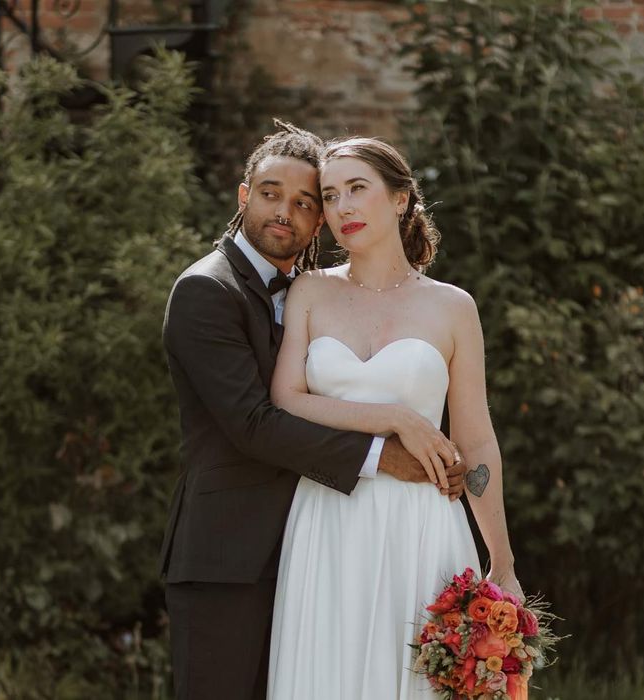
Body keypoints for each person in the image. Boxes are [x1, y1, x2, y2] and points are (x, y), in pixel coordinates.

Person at [159, 121, 467, 700]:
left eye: (306, 202)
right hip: (227, 557)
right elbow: (253, 424)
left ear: (318, 221)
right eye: (271, 193)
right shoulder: (207, 290)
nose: (286, 212)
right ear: (244, 195)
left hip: (310, 546)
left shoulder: (308, 291)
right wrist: (384, 453)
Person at [267, 136, 523, 699]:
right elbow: (286, 399)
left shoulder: (453, 307)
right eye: (331, 197)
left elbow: (476, 441)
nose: (343, 209)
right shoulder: (309, 291)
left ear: (402, 197)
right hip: (328, 517)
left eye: (358, 189)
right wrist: (393, 418)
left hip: (421, 523)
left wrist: (500, 561)